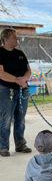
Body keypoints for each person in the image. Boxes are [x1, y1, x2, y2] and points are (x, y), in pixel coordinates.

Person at [0, 28, 32, 157]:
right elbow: (1, 73)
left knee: (21, 118)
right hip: (6, 90)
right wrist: (16, 80)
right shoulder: (0, 53)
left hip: (22, 89)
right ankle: (3, 147)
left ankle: (20, 144)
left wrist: (23, 79)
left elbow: (28, 70)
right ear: (5, 39)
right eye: (14, 37)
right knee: (6, 119)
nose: (16, 39)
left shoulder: (20, 53)